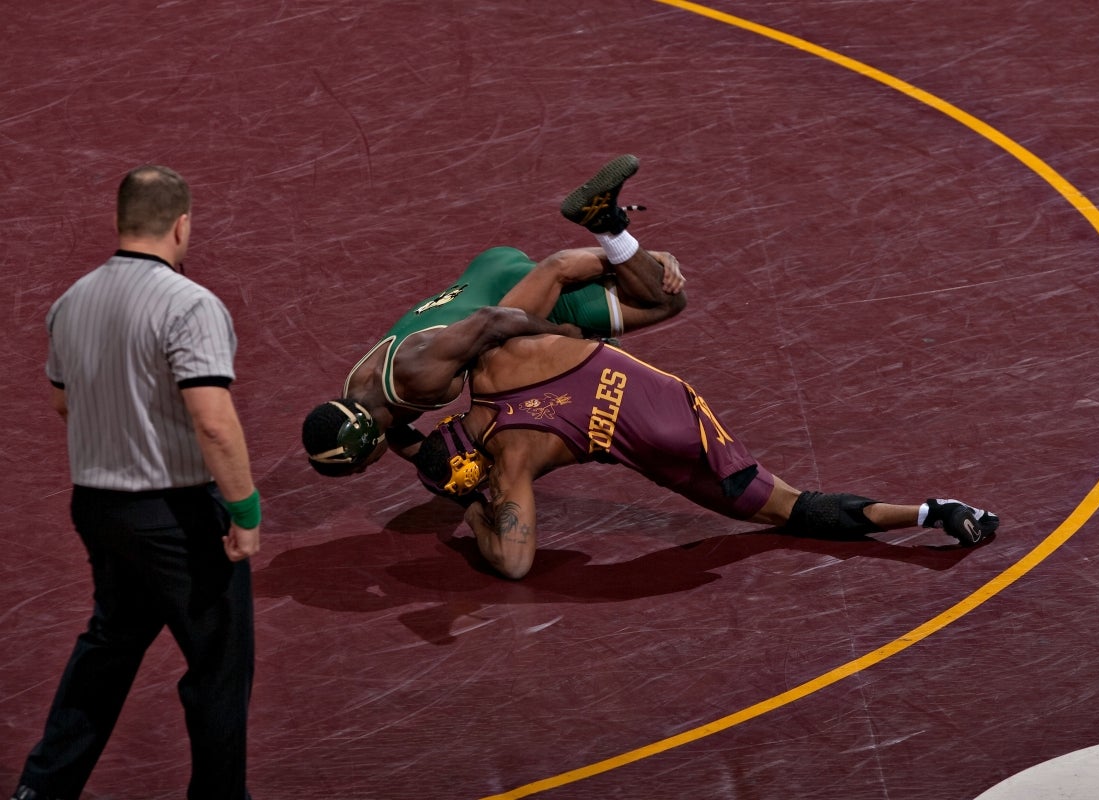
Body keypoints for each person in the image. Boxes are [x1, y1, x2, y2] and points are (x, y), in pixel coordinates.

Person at [11, 166, 260, 800]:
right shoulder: (190, 305)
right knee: (218, 665)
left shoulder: (72, 301)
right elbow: (214, 421)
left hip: (97, 507)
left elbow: (65, 403)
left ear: (119, 221)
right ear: (182, 225)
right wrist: (245, 509)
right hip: (176, 515)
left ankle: (42, 790)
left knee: (109, 649)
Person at [410, 333, 1000, 580]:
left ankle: (932, 512)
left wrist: (472, 515)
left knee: (786, 510)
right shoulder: (492, 361)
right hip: (667, 395)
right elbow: (502, 307)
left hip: (660, 445)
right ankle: (934, 512)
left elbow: (514, 563)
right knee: (789, 507)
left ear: (471, 474)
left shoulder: (511, 468)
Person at [302, 154, 687, 476]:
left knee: (664, 301)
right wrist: (435, 473)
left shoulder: (415, 375)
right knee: (637, 285)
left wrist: (577, 339)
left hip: (504, 297)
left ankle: (607, 223)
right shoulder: (357, 397)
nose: (364, 471)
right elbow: (398, 431)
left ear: (368, 441)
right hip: (485, 276)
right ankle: (628, 249)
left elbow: (495, 320)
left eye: (359, 467)